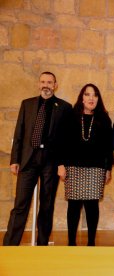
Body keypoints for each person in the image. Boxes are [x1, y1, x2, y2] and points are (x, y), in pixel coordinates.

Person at [3, 71, 72, 246]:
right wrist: (14, 159)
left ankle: (42, 245)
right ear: (38, 84)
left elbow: (66, 140)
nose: (46, 85)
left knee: (47, 205)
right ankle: (10, 246)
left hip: (51, 161)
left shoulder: (64, 107)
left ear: (55, 85)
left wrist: (63, 164)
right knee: (20, 205)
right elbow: (19, 133)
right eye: (43, 82)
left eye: (49, 82)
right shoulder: (27, 104)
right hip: (28, 160)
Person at [58, 83, 114, 246]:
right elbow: (61, 142)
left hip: (96, 168)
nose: (91, 98)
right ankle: (71, 243)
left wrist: (108, 168)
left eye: (95, 95)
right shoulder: (70, 116)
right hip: (73, 167)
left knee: (92, 205)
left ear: (98, 99)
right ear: (81, 98)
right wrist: (61, 164)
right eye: (87, 94)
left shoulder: (104, 118)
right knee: (74, 206)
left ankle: (91, 243)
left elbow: (108, 147)